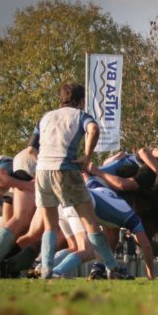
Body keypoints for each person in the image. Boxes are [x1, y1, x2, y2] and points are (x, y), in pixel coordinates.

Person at [28, 82, 127, 279]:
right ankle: (113, 268)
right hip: (65, 170)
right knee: (91, 224)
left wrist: (43, 164)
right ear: (81, 100)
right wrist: (86, 158)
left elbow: (31, 149)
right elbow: (94, 130)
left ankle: (46, 269)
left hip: (42, 172)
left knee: (50, 226)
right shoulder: (81, 115)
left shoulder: (45, 117)